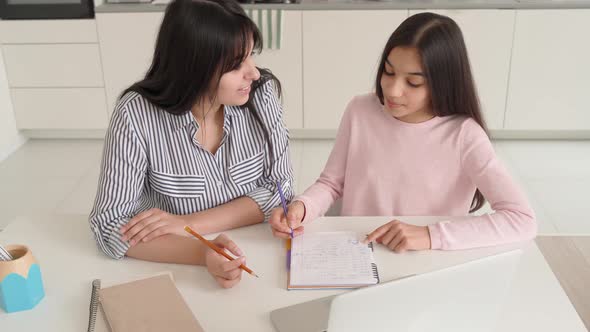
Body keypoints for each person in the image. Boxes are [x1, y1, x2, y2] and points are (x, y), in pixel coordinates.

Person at [269, 12, 536, 252]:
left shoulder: (464, 135)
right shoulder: (360, 110)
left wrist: (430, 235)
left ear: (442, 83)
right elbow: (331, 183)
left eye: (413, 82)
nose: (393, 90)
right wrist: (304, 207)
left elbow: (521, 219)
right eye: (388, 71)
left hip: (424, 262)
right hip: (356, 253)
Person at [89, 0, 293, 288]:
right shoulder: (135, 114)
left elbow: (280, 191)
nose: (254, 73)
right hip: (173, 267)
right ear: (194, 67)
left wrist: (188, 224)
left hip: (262, 252)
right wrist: (202, 252)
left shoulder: (261, 94)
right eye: (236, 65)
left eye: (251, 56)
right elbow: (108, 224)